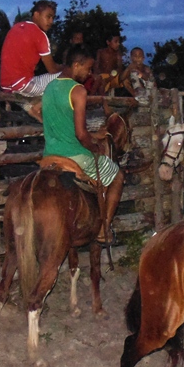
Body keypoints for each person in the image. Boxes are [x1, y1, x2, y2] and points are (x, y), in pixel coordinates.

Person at [41, 45, 125, 245]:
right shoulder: (78, 90)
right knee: (117, 177)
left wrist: (94, 134)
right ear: (76, 64)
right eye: (87, 68)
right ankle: (104, 229)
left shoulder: (49, 87)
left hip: (49, 154)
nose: (89, 73)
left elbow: (64, 124)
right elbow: (80, 135)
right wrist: (94, 146)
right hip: (74, 156)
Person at [0, 0, 62, 105]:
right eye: (48, 16)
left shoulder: (17, 27)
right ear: (36, 15)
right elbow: (52, 69)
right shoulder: (40, 35)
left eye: (53, 18)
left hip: (6, 85)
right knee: (67, 75)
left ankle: (35, 111)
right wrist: (64, 67)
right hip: (22, 86)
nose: (51, 21)